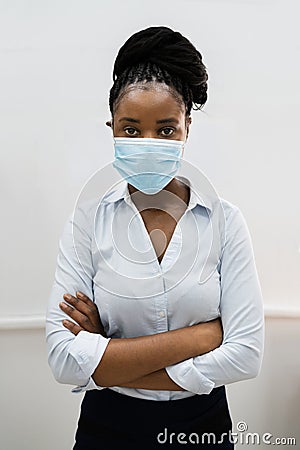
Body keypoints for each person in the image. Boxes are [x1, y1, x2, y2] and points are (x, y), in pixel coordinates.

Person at [45, 26, 265, 449]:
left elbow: (246, 354)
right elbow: (61, 358)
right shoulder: (86, 223)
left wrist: (108, 360)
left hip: (202, 427)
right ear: (111, 127)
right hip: (107, 428)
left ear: (187, 126)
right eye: (131, 129)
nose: (148, 143)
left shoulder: (226, 222)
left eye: (165, 130)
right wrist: (202, 337)